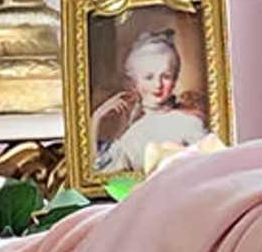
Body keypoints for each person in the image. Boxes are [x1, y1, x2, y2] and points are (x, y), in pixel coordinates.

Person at [89, 20, 212, 176]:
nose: (158, 84)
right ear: (135, 83)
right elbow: (99, 173)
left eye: (166, 76)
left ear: (175, 80)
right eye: (148, 77)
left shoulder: (189, 123)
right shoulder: (132, 132)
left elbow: (208, 169)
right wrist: (96, 118)